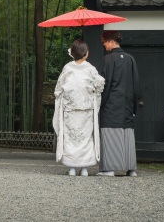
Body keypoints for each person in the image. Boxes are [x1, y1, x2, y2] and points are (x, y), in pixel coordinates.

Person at [52, 38, 105, 176]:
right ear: (85, 53)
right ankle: (85, 168)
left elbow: (58, 89)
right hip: (86, 109)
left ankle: (72, 168)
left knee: (71, 137)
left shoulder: (67, 68)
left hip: (70, 109)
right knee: (85, 138)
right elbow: (99, 85)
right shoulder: (90, 69)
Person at [97, 30, 141, 177]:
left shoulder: (107, 60)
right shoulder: (130, 59)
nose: (104, 45)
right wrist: (134, 106)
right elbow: (136, 85)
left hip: (111, 104)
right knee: (127, 133)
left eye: (104, 42)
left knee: (110, 133)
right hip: (127, 104)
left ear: (110, 41)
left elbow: (104, 84)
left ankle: (109, 169)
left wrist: (100, 103)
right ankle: (131, 169)